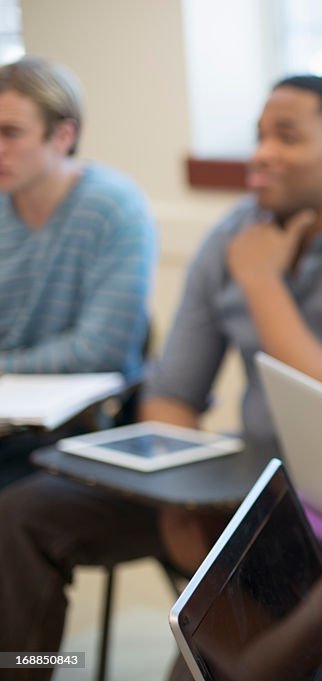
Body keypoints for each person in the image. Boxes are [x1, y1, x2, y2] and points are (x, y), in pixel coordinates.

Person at [0, 74, 322, 675]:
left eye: (286, 137)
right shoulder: (235, 234)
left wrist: (261, 281)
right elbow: (172, 395)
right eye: (259, 135)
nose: (262, 153)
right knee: (21, 515)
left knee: (206, 647)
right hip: (228, 484)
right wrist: (176, 499)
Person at [0, 56, 156, 489]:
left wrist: (4, 368)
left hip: (80, 425)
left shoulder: (113, 207)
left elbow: (99, 350)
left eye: (11, 133)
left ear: (64, 135)